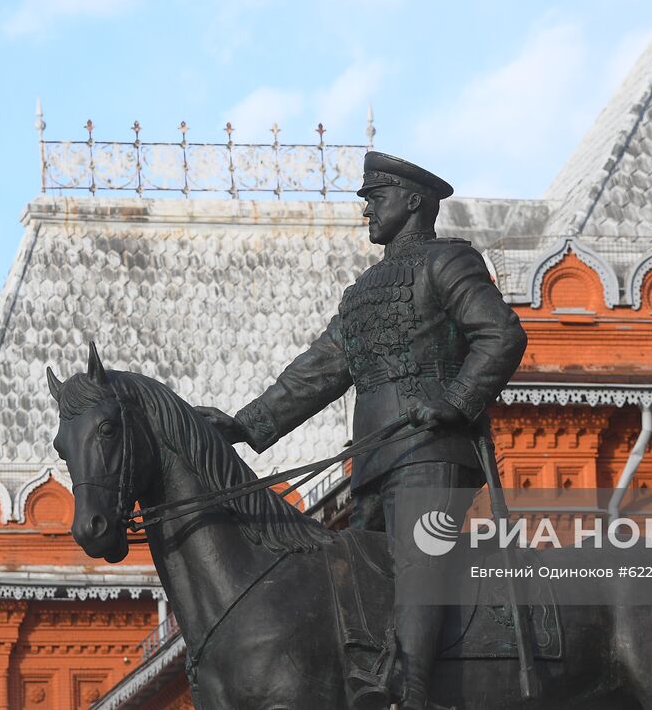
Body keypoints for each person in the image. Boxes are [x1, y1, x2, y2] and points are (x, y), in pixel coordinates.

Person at [198, 151, 527, 710]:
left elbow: (501, 334)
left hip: (431, 448)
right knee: (361, 575)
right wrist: (244, 423)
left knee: (417, 559)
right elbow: (319, 370)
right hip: (373, 461)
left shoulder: (448, 262)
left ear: (414, 201)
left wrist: (455, 401)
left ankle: (414, 690)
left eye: (376, 199)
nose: (367, 210)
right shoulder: (363, 291)